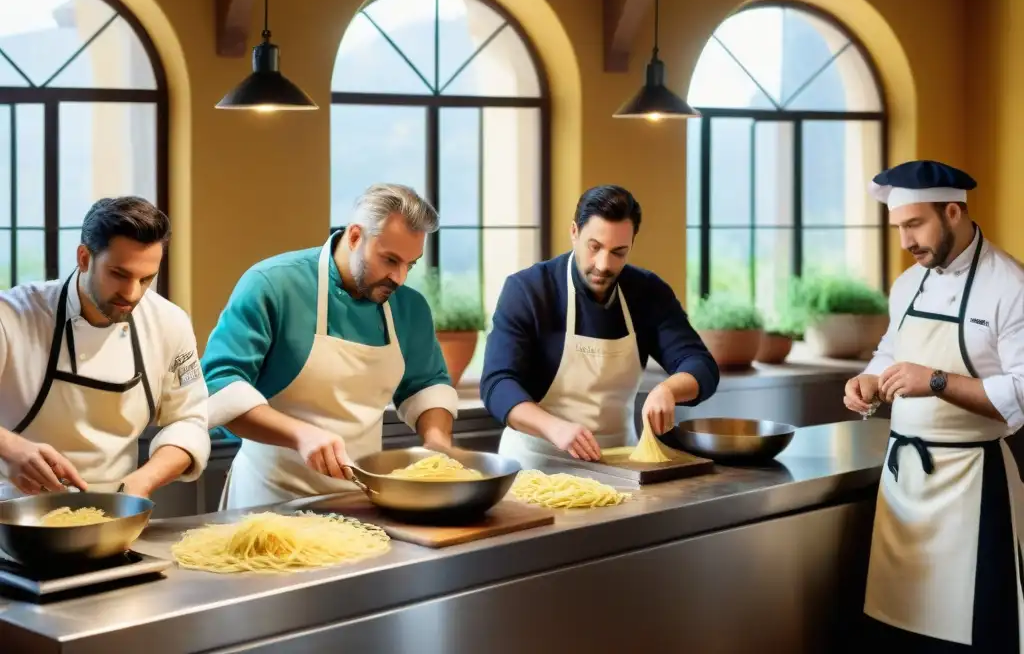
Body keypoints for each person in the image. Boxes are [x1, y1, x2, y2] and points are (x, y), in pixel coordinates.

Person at [842, 160, 1024, 650]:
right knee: (897, 626)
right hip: (904, 486)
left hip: (972, 488)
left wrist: (938, 381)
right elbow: (891, 350)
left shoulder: (1010, 286)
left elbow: (1022, 393)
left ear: (952, 212)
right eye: (899, 227)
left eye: (914, 224)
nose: (905, 242)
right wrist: (870, 380)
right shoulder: (908, 284)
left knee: (975, 628)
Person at [203, 183, 459, 510]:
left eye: (411, 264)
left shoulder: (410, 308)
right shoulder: (273, 284)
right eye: (390, 259)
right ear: (354, 236)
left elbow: (427, 384)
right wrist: (301, 435)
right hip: (269, 501)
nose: (399, 278)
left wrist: (437, 441)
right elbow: (221, 384)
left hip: (360, 500)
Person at [481, 185, 719, 462]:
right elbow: (497, 383)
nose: (603, 264)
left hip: (620, 462)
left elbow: (700, 364)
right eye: (594, 248)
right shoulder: (528, 290)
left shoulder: (647, 292)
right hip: (536, 459)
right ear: (574, 233)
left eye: (618, 252)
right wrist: (553, 427)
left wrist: (669, 389)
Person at [0, 197, 210, 500]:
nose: (132, 293)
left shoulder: (169, 323)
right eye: (119, 274)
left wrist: (142, 482)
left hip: (116, 509)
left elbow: (189, 419)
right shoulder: (13, 315)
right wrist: (10, 448)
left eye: (146, 279)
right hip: (13, 509)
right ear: (84, 258)